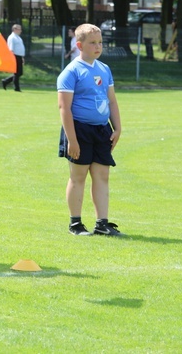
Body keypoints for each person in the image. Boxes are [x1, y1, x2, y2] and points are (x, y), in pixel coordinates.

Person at [57, 23, 123, 237]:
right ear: (79, 45)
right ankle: (76, 224)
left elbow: (111, 101)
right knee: (78, 176)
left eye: (100, 42)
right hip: (79, 130)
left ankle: (102, 223)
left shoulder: (104, 69)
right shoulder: (71, 71)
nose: (98, 46)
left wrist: (118, 127)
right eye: (92, 43)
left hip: (102, 130)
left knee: (102, 174)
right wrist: (72, 140)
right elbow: (64, 108)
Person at [2, 24, 25, 92]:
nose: (20, 31)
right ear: (14, 29)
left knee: (19, 73)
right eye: (19, 29)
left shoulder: (18, 37)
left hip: (19, 56)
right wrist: (12, 58)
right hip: (15, 56)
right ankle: (16, 88)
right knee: (17, 72)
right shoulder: (12, 37)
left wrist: (22, 57)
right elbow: (11, 49)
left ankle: (6, 81)